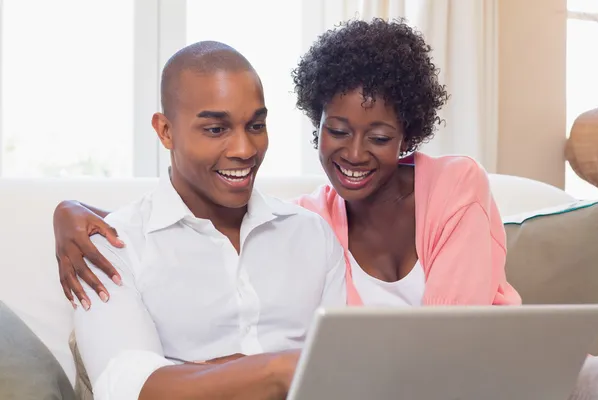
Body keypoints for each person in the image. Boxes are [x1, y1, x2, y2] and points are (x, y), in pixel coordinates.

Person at [54, 18, 520, 308]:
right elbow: (190, 211)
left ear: (407, 136)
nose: (354, 154)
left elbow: (455, 336)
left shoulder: (456, 186)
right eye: (337, 130)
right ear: (315, 123)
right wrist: (71, 209)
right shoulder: (311, 221)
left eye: (379, 137)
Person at [69, 41, 347, 400]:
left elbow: (340, 372)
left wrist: (191, 373)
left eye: (256, 125)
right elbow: (127, 389)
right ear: (165, 131)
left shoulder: (311, 234)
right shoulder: (111, 248)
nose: (244, 149)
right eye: (216, 129)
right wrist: (277, 370)